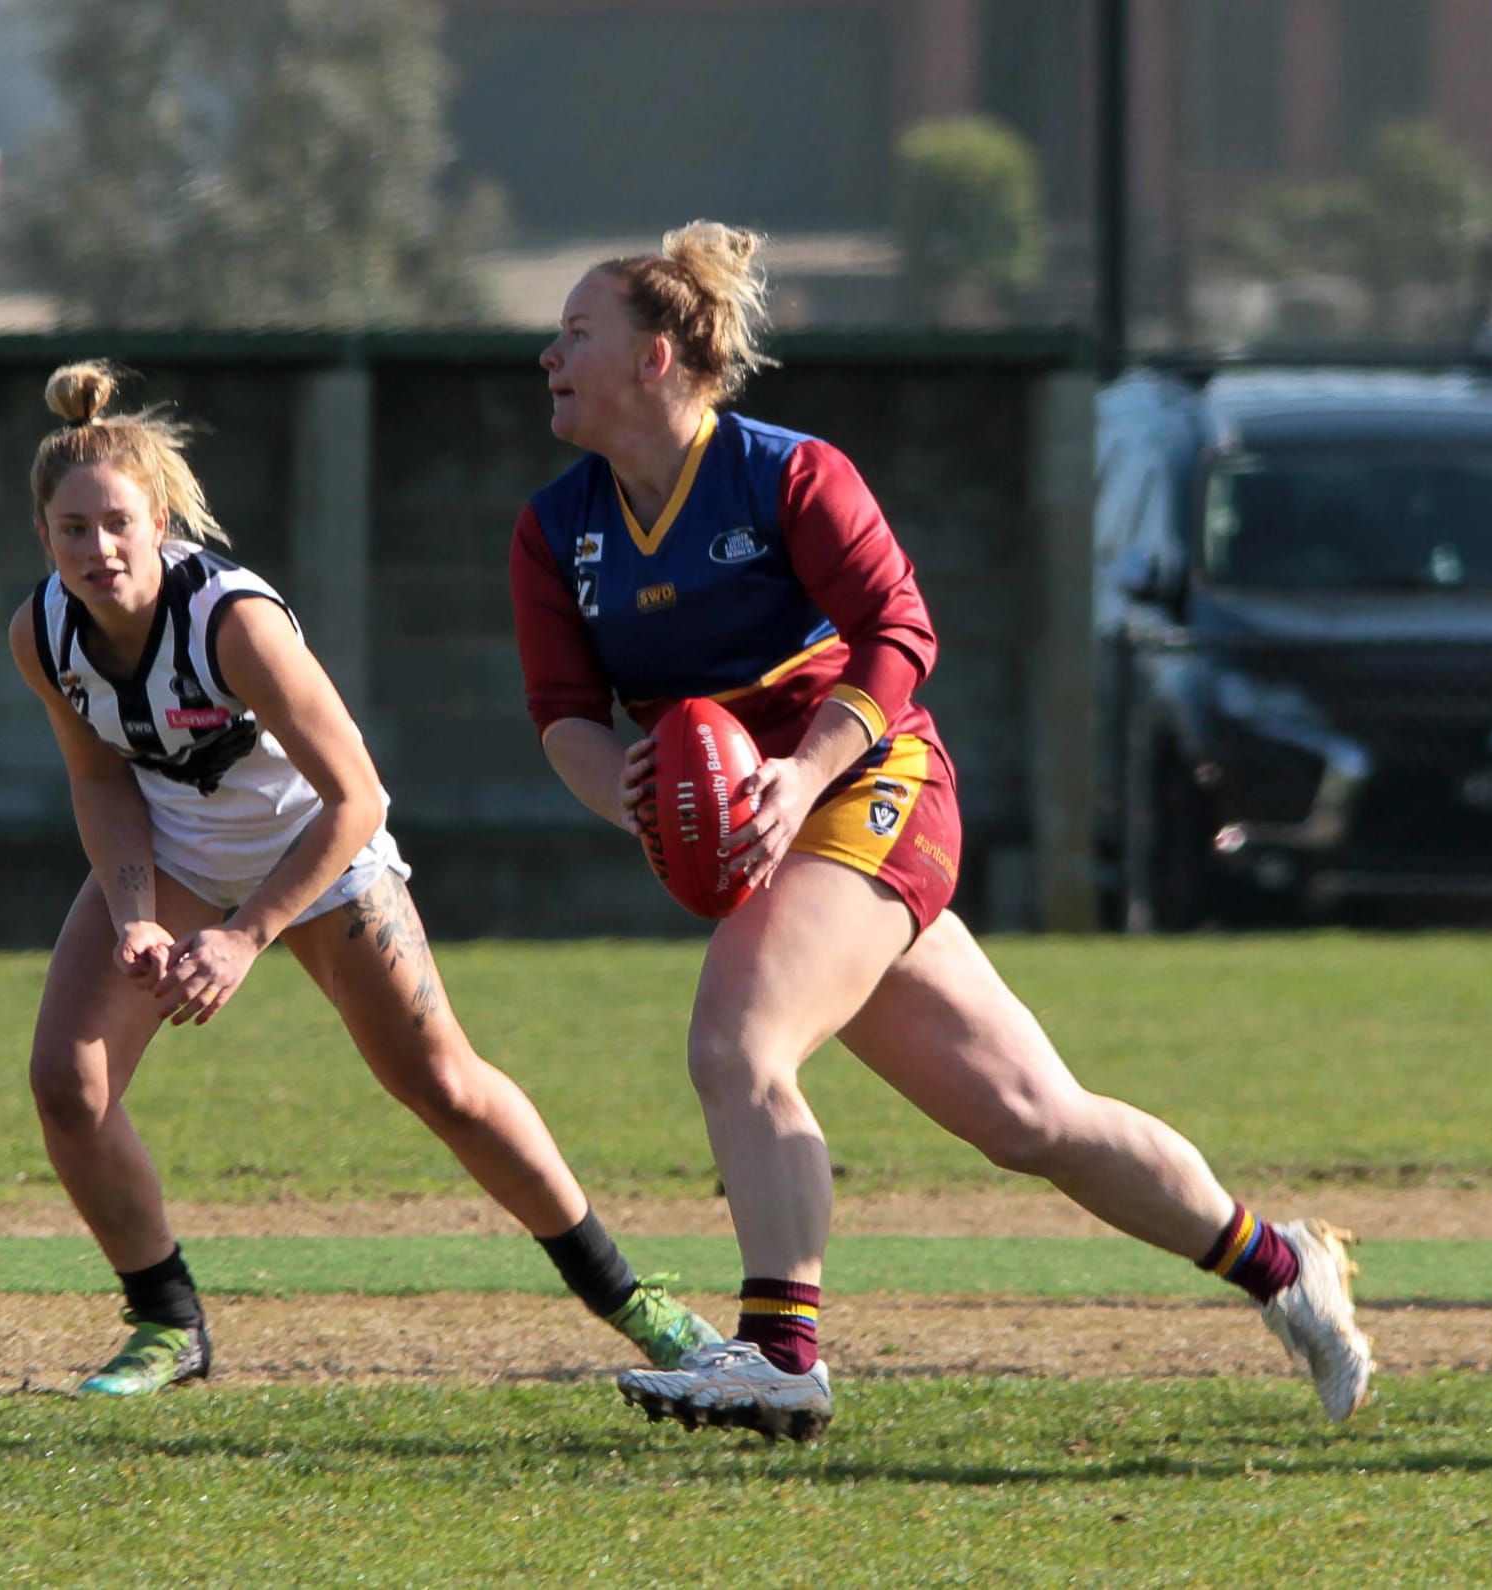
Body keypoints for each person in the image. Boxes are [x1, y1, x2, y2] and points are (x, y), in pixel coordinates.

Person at [508, 223, 1373, 1442]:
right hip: (771, 824)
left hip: (869, 784)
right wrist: (635, 798)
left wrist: (801, 775)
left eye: (573, 333)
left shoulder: (786, 474)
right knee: (1031, 1117)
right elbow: (562, 720)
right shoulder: (556, 529)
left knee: (736, 1042)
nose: (547, 357)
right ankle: (1282, 1266)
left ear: (655, 357)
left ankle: (779, 1355)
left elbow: (899, 634)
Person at [12, 359, 721, 1395]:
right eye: (73, 530)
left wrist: (243, 937)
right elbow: (99, 781)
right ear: (44, 539)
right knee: (66, 1087)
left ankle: (634, 1302)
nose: (98, 549)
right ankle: (167, 1323)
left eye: (117, 523)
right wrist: (133, 918)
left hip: (319, 850)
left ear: (160, 522)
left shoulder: (231, 622)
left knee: (444, 1087)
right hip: (174, 854)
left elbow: (357, 799)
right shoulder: (43, 633)